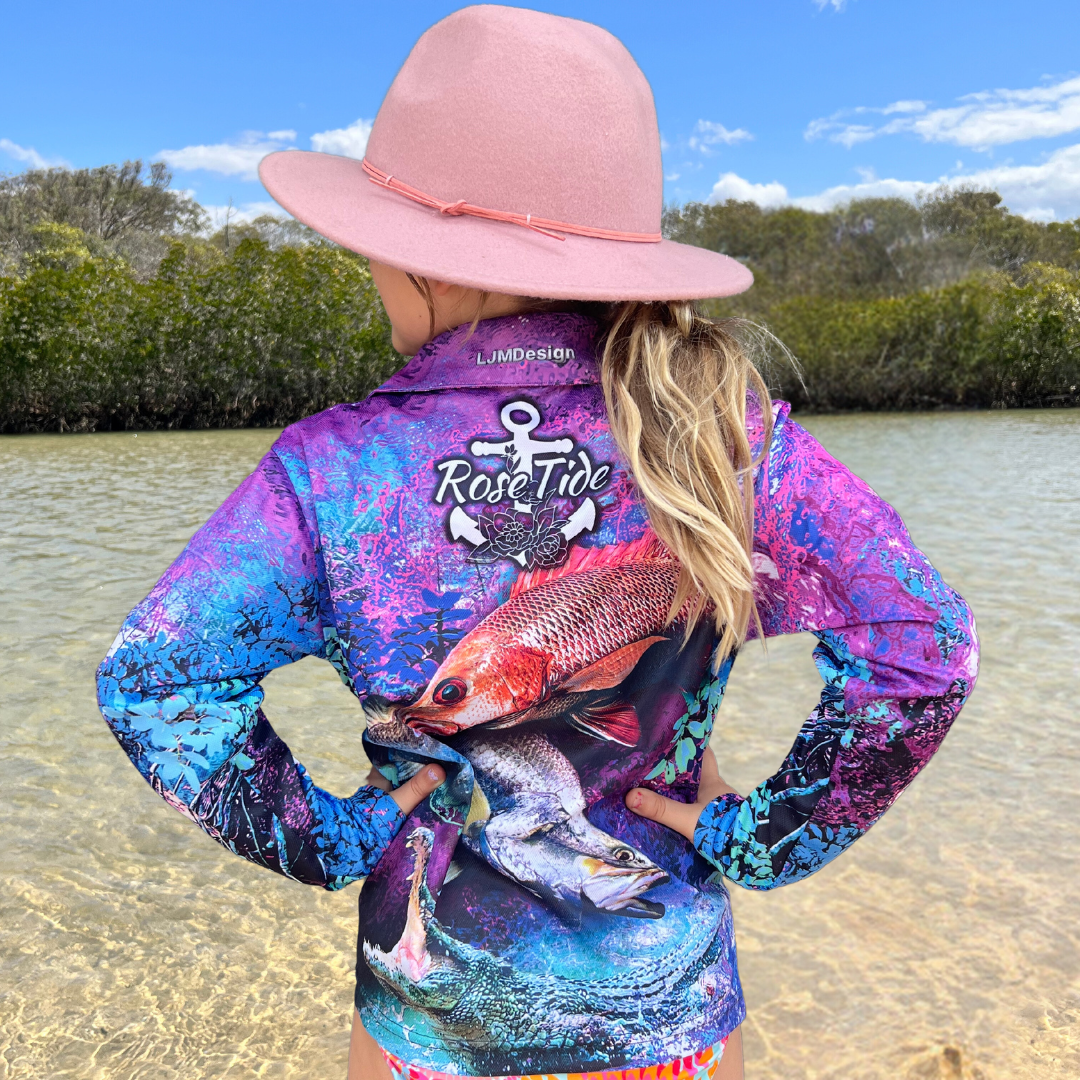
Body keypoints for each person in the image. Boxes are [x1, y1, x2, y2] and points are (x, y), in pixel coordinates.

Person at [96, 7, 979, 1080]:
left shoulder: (330, 473)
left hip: (430, 1029)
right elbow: (926, 649)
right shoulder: (727, 439)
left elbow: (154, 678)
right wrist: (764, 835)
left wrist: (326, 837)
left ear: (426, 263)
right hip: (669, 1021)